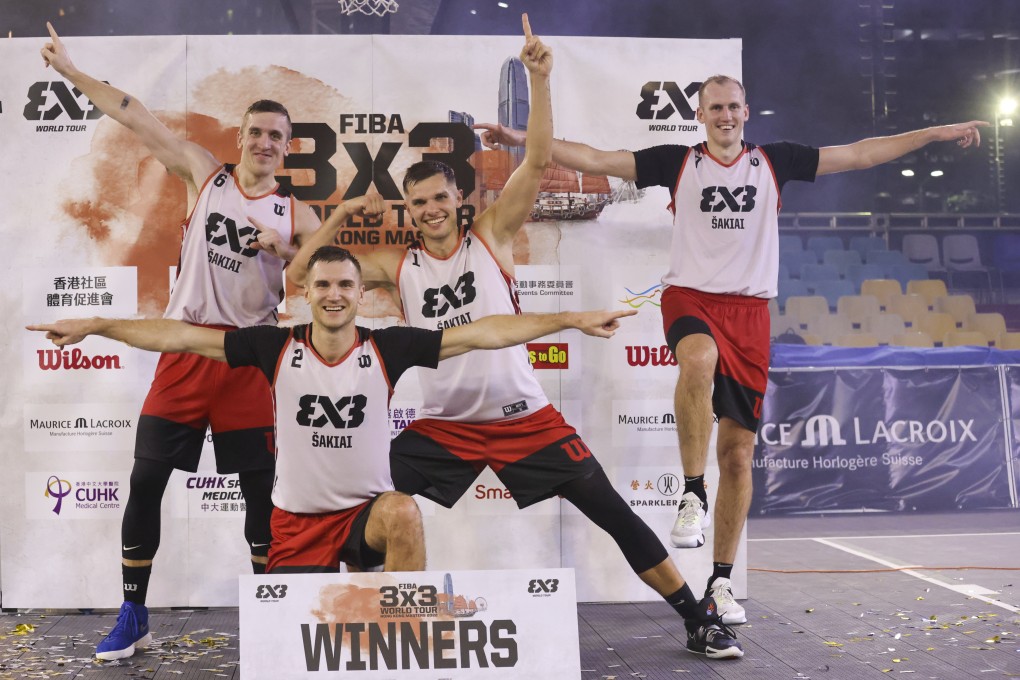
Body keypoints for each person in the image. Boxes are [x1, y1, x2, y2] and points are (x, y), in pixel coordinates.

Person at [288, 18, 744, 660]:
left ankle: (697, 618)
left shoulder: (493, 237)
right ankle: (362, 614)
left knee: (611, 509)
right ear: (409, 210)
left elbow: (535, 158)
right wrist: (337, 214)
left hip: (523, 417)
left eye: (441, 198)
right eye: (419, 203)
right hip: (444, 423)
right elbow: (305, 272)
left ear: (461, 200)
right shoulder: (398, 265)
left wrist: (539, 78)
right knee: (357, 504)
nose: (431, 210)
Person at [474, 74, 989, 625]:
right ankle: (691, 492)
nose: (725, 115)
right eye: (715, 107)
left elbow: (861, 154)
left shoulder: (777, 160)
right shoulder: (676, 161)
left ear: (748, 111)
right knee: (697, 359)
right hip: (691, 297)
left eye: (733, 107)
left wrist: (936, 131)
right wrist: (520, 136)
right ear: (700, 114)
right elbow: (596, 158)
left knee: (739, 456)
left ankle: (719, 583)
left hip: (750, 314)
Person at [37, 22, 380, 660]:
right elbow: (136, 117)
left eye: (277, 136)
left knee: (261, 494)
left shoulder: (294, 212)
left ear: (287, 147)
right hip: (188, 347)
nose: (265, 143)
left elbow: (324, 282)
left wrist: (288, 252)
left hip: (251, 359)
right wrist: (73, 72)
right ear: (243, 137)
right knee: (146, 481)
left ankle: (274, 616)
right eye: (256, 132)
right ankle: (133, 611)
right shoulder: (204, 173)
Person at [28, 245, 636, 578]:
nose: (335, 294)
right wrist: (97, 325)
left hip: (361, 520)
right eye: (323, 286)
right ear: (307, 293)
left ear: (360, 293)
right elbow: (180, 338)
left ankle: (397, 645)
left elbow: (486, 331)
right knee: (297, 653)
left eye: (346, 285)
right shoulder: (273, 346)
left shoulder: (388, 346)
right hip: (294, 530)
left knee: (402, 512)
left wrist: (572, 319)